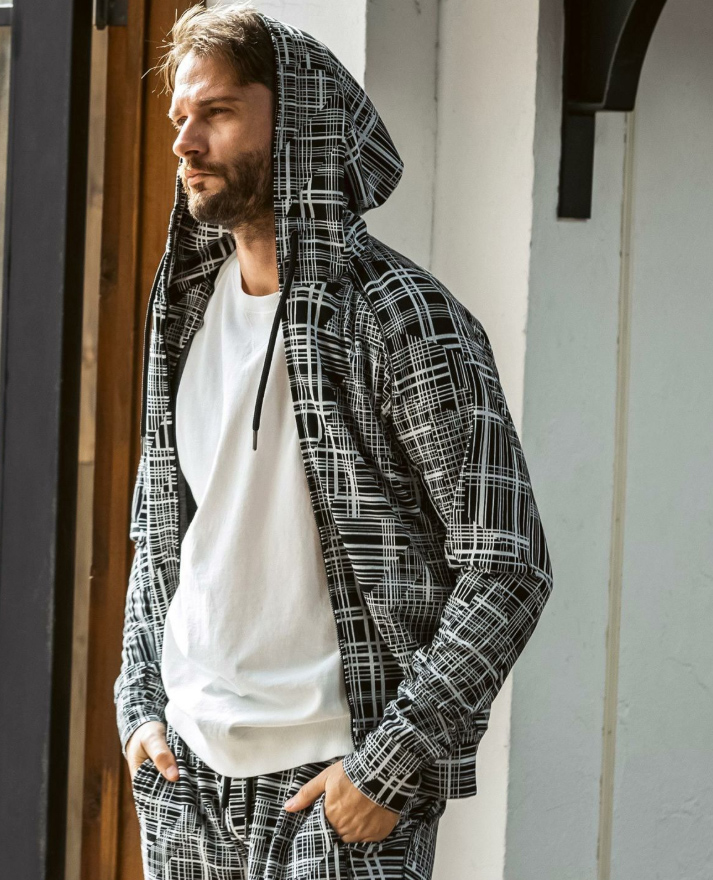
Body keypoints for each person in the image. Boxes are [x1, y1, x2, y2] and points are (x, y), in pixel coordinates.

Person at [114, 4, 554, 879]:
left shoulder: (401, 317)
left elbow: (507, 565)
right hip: (184, 776)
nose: (185, 142)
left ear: (298, 122)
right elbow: (162, 529)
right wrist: (139, 706)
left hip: (333, 787)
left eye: (217, 112)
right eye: (180, 117)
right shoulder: (186, 312)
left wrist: (390, 764)